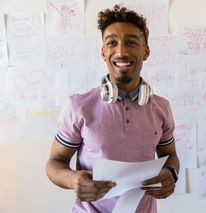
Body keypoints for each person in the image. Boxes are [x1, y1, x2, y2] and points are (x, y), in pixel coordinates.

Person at [45, 4, 179, 213]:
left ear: (146, 51)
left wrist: (171, 173)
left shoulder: (161, 108)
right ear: (103, 51)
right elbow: (55, 162)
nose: (121, 51)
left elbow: (170, 156)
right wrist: (72, 179)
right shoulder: (79, 106)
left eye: (131, 42)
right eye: (112, 43)